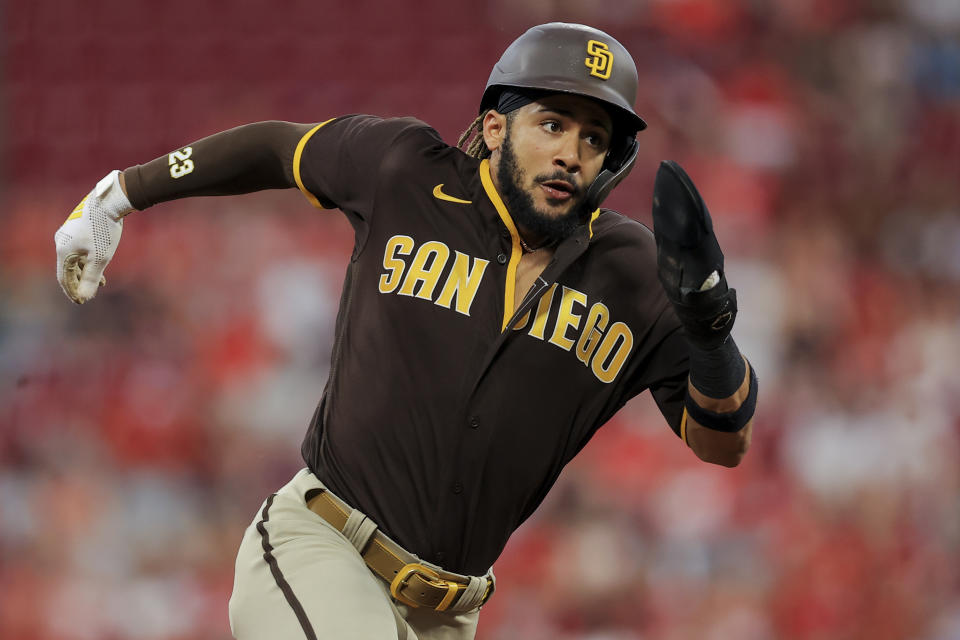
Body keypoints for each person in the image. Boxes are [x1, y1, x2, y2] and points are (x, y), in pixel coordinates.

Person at [54, 22, 758, 640]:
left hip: (450, 615)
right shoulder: (406, 172)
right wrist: (120, 193)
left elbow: (721, 441)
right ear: (494, 128)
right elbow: (278, 148)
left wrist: (709, 330)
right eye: (552, 123)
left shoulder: (632, 274)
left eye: (594, 136)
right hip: (322, 546)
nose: (572, 152)